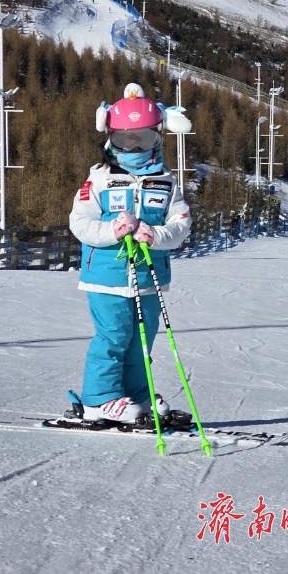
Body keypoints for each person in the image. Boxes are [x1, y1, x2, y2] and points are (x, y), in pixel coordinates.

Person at [69, 84, 192, 425]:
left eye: (143, 139)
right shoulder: (99, 179)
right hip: (107, 276)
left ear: (158, 136)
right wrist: (113, 231)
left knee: (142, 340)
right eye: (126, 140)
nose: (134, 147)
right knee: (112, 337)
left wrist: (155, 235)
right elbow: (79, 223)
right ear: (111, 138)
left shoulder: (166, 181)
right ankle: (99, 399)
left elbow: (181, 225)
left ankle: (136, 395)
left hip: (149, 276)